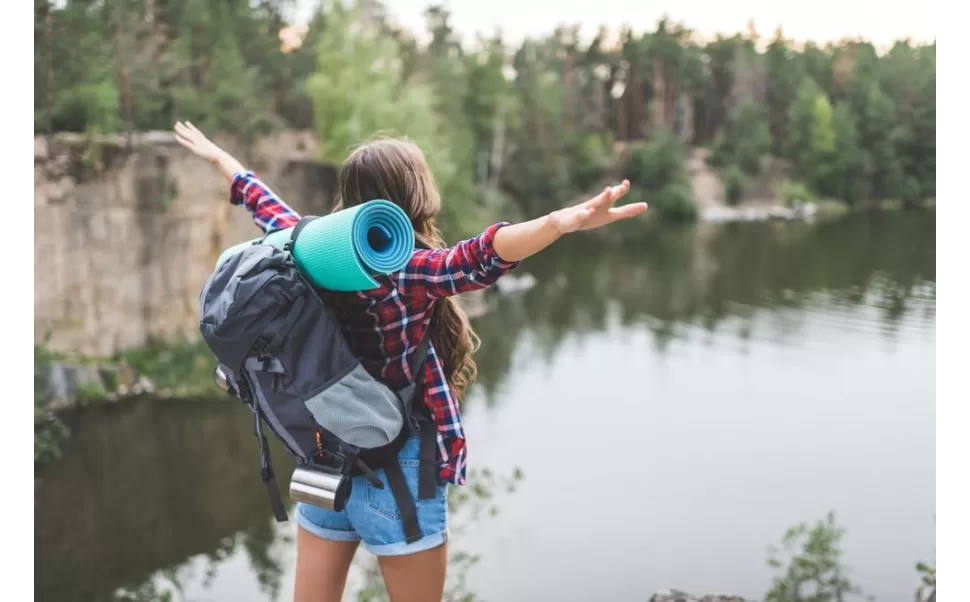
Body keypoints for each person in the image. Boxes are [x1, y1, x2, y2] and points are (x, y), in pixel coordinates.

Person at [174, 121, 646, 602]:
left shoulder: (307, 249)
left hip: (324, 460)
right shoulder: (405, 270)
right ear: (415, 192)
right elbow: (478, 255)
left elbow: (264, 203)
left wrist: (219, 158)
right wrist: (556, 224)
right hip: (397, 469)